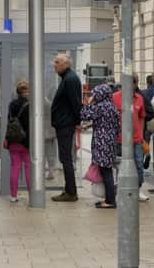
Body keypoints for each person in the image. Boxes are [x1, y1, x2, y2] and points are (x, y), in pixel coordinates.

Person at [81, 84, 120, 208]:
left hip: (102, 143)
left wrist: (89, 102)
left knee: (106, 172)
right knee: (107, 170)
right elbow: (114, 125)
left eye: (95, 94)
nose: (93, 96)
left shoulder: (100, 106)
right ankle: (109, 198)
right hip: (110, 141)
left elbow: (84, 114)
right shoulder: (112, 107)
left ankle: (110, 201)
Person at [50, 53, 83, 202]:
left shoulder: (70, 79)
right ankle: (69, 190)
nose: (54, 64)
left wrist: (77, 121)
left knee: (66, 158)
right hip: (64, 123)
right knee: (65, 158)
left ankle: (71, 192)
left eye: (57, 62)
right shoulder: (67, 78)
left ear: (65, 64)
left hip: (65, 124)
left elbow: (75, 103)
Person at [112, 74, 149, 202]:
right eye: (134, 82)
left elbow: (142, 116)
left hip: (136, 139)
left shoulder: (139, 98)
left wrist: (141, 134)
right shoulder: (115, 97)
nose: (136, 85)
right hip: (119, 139)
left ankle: (137, 190)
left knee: (139, 165)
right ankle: (120, 190)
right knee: (119, 166)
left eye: (137, 82)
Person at [6, 81, 30, 202]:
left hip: (14, 139)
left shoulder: (12, 104)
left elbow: (9, 122)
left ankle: (13, 196)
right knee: (28, 167)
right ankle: (32, 195)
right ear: (27, 91)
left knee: (15, 167)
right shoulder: (30, 105)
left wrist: (7, 139)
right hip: (27, 142)